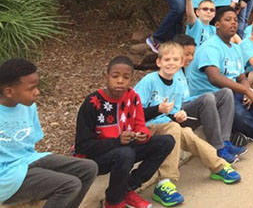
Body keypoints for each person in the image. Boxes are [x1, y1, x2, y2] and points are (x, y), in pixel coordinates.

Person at [133, 42, 241, 206]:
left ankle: (218, 167)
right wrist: (158, 109)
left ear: (181, 62)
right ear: (158, 62)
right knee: (174, 129)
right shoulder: (149, 81)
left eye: (175, 59)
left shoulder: (176, 84)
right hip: (143, 128)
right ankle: (164, 183)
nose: (171, 63)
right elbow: (133, 112)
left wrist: (178, 116)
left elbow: (170, 115)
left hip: (165, 126)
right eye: (167, 59)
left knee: (187, 133)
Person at [74, 56, 174, 208]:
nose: (120, 81)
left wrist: (142, 135)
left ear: (131, 79)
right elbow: (82, 146)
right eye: (115, 76)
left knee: (166, 142)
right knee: (124, 153)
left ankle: (126, 189)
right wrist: (117, 141)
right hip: (96, 158)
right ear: (106, 77)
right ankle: (113, 202)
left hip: (124, 149)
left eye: (126, 77)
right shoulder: (93, 103)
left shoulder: (133, 97)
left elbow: (140, 124)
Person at [0, 59, 97, 208]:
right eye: (31, 88)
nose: (37, 92)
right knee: (69, 185)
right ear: (9, 92)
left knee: (89, 168)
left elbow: (29, 145)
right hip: (6, 175)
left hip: (27, 160)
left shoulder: (27, 106)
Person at [186, 7, 253, 146]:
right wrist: (245, 90)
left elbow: (241, 78)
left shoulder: (235, 48)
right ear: (217, 25)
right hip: (213, 97)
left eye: (235, 20)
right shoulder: (210, 47)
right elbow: (215, 78)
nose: (233, 23)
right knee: (239, 115)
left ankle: (244, 127)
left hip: (233, 94)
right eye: (228, 20)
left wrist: (247, 92)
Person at [172, 35, 241, 166]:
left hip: (186, 106)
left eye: (193, 54)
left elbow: (187, 97)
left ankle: (225, 141)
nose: (191, 58)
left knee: (226, 93)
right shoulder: (170, 72)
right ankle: (218, 148)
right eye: (187, 54)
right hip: (176, 114)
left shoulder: (183, 70)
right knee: (207, 98)